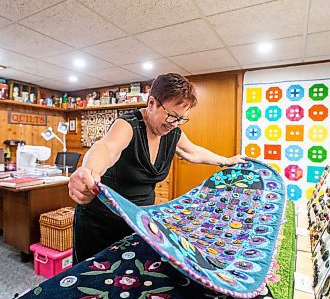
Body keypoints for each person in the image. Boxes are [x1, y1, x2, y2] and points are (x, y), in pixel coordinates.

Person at [68, 73, 246, 264]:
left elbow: (193, 152)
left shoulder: (173, 132)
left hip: (137, 220)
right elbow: (106, 148)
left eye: (181, 119)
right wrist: (88, 170)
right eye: (171, 116)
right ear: (152, 103)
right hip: (100, 222)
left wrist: (225, 160)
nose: (175, 123)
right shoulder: (128, 125)